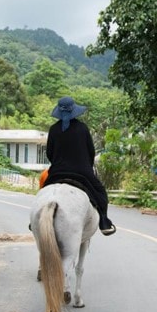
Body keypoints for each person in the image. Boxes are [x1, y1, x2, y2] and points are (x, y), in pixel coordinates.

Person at [44, 96, 116, 236]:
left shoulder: (53, 129)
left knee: (44, 192)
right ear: (74, 111)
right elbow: (91, 152)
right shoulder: (82, 128)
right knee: (100, 192)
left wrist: (59, 164)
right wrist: (86, 167)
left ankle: (36, 220)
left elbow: (49, 153)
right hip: (82, 172)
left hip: (57, 172)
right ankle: (104, 222)